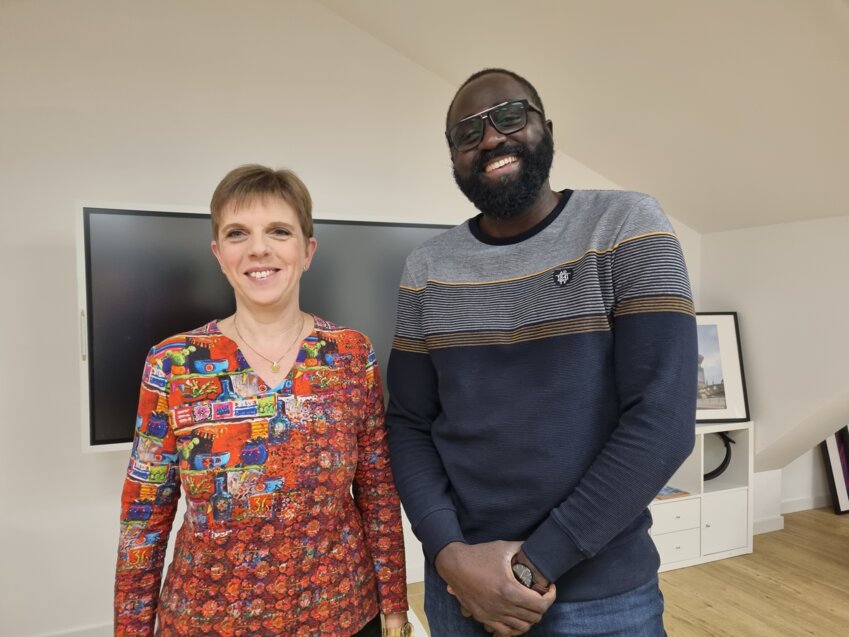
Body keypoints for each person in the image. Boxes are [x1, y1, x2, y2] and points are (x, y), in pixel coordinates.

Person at [386, 68, 697, 636]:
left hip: (602, 600)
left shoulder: (627, 225)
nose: (490, 138)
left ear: (546, 128)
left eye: (510, 116)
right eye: (467, 132)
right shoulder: (427, 268)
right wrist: (448, 554)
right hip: (459, 592)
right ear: (453, 156)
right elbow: (409, 423)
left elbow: (663, 422)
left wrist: (530, 569)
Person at [114, 165, 412, 637]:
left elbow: (377, 493)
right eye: (238, 233)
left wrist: (395, 610)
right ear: (219, 254)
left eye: (279, 231)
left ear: (307, 251)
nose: (258, 248)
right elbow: (143, 518)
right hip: (206, 622)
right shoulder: (173, 363)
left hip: (343, 617)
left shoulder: (351, 354)